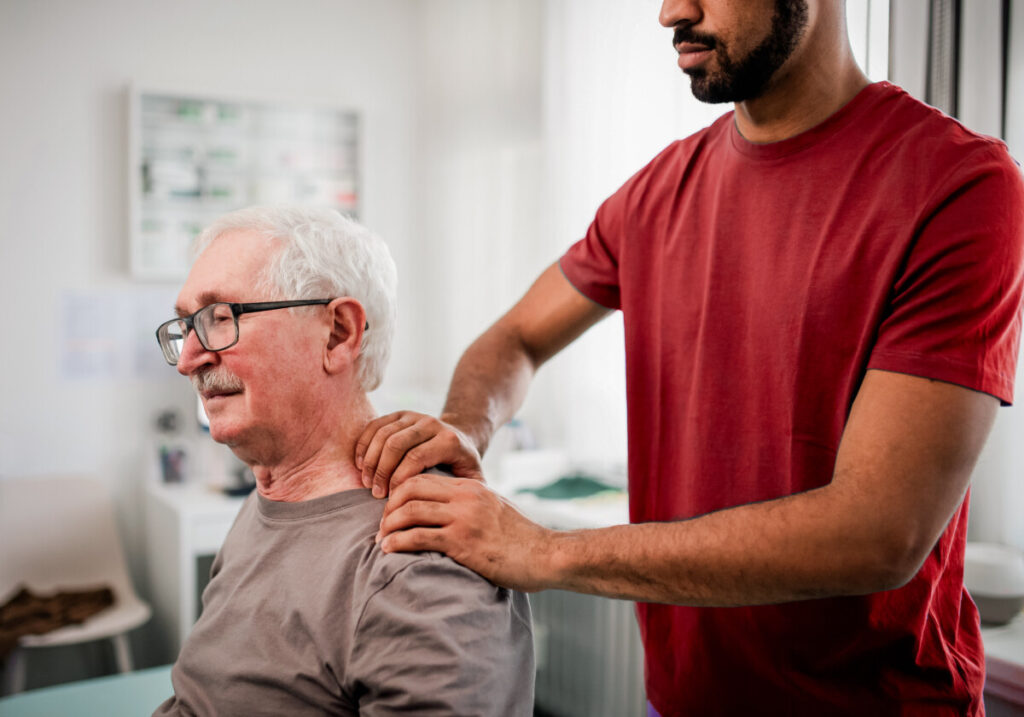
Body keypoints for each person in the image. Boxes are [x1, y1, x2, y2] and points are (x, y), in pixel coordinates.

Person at [354, 1, 1024, 715]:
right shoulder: (654, 192)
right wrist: (465, 426)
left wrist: (543, 551)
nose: (673, 12)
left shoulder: (956, 184)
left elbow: (880, 534)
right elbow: (515, 338)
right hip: (678, 701)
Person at [151, 206, 534, 716]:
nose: (187, 358)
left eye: (220, 318)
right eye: (185, 326)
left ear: (338, 333)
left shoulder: (418, 566)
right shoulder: (267, 500)